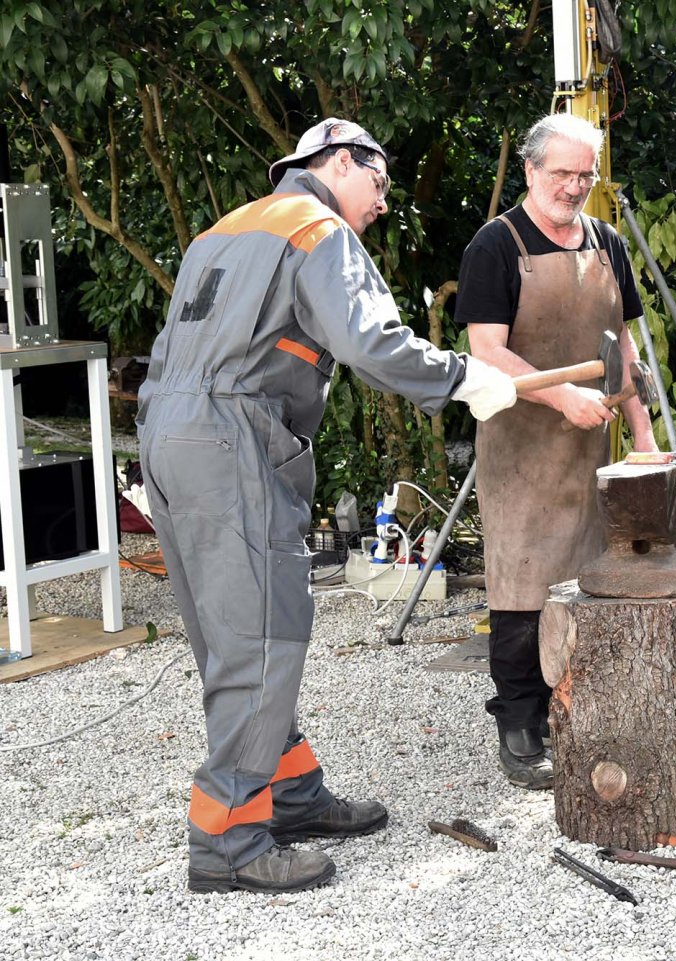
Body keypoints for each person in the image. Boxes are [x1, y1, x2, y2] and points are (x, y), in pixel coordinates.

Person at [138, 117, 518, 894]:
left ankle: (290, 791)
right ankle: (227, 840)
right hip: (230, 440)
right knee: (263, 636)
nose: (382, 202)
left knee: (233, 635)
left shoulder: (224, 230)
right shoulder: (317, 229)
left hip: (167, 434)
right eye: (378, 182)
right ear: (340, 161)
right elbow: (369, 342)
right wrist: (462, 377)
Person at [455, 113, 657, 790]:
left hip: (590, 449)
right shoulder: (496, 245)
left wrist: (645, 436)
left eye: (584, 176)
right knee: (521, 588)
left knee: (584, 582)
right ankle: (519, 724)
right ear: (531, 170)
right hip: (520, 449)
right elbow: (487, 351)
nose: (573, 187)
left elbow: (623, 350)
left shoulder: (606, 243)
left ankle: (574, 712)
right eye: (561, 173)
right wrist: (563, 394)